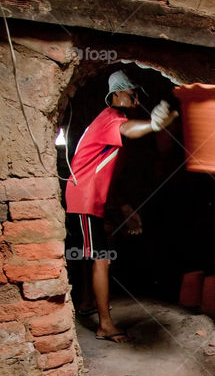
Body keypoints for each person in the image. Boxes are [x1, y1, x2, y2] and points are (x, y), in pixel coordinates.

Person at [66, 70, 177, 341]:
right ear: (116, 95)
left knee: (93, 253)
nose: (136, 101)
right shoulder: (111, 118)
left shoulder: (108, 124)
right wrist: (152, 126)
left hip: (89, 197)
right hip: (84, 198)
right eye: (132, 94)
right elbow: (128, 129)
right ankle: (105, 325)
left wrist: (125, 208)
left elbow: (108, 177)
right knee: (101, 259)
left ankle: (87, 302)